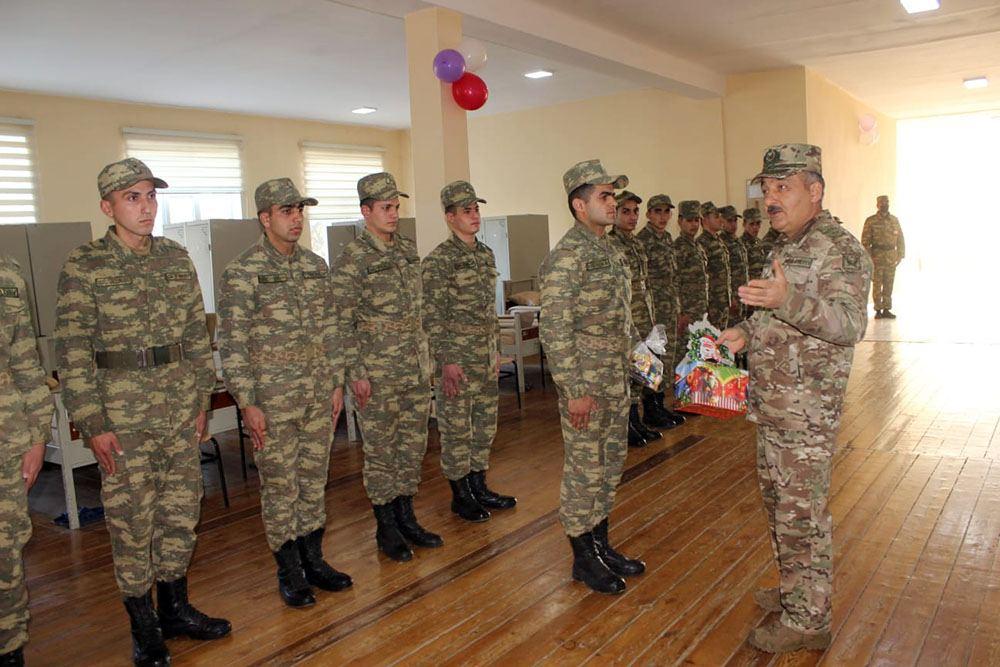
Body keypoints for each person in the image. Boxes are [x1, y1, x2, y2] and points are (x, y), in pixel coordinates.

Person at [55, 158, 231, 666]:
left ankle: (176, 610)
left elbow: (197, 337)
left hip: (178, 410)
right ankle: (144, 625)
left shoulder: (176, 259)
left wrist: (201, 399)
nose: (147, 206)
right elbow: (72, 352)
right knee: (133, 521)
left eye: (151, 196)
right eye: (133, 197)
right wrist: (94, 424)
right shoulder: (85, 265)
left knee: (181, 512)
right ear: (107, 206)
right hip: (123, 418)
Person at [718, 144, 871, 653]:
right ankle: (795, 591)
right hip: (774, 404)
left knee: (801, 513)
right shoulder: (785, 245)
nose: (771, 199)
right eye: (767, 189)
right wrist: (743, 331)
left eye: (783, 187)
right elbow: (770, 317)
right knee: (780, 505)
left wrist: (789, 299)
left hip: (806, 410)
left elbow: (849, 325)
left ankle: (809, 620)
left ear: (815, 190)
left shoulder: (840, 249)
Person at [217, 178, 352, 608]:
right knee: (280, 486)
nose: (296, 219)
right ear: (265, 218)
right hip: (273, 403)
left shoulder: (315, 266)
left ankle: (314, 559)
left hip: (317, 396)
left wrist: (335, 383)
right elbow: (233, 343)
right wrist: (247, 401)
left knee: (313, 480)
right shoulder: (242, 273)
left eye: (300, 210)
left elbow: (331, 331)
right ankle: (289, 569)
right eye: (287, 211)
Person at [540, 159, 645, 595]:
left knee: (609, 466)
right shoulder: (566, 258)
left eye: (613, 195)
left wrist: (643, 362)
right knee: (585, 470)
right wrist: (575, 391)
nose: (613, 202)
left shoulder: (609, 249)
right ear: (579, 205)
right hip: (587, 385)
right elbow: (555, 330)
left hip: (616, 381)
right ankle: (583, 558)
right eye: (605, 195)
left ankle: (601, 544)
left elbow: (622, 319)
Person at [330, 172, 441, 563]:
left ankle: (406, 516)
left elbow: (420, 311)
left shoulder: (407, 251)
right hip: (376, 373)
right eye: (386, 208)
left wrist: (427, 359)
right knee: (381, 451)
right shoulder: (352, 260)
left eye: (396, 207)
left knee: (412, 446)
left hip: (412, 367)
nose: (394, 214)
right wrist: (355, 372)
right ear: (366, 211)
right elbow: (341, 322)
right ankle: (386, 527)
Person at [421, 180, 516, 523]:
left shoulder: (484, 254)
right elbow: (432, 315)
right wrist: (446, 360)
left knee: (484, 425)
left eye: (476, 209)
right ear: (450, 217)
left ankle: (479, 485)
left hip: (483, 356)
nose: (474, 216)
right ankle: (461, 494)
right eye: (466, 211)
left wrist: (496, 352)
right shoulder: (438, 261)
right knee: (457, 428)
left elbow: (488, 310)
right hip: (457, 360)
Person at [0, 255, 53, 667]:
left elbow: (26, 364)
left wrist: (38, 436)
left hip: (6, 442)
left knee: (6, 553)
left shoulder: (8, 274)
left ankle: (9, 650)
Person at [635, 194, 686, 427]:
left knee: (665, 359)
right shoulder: (642, 240)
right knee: (652, 360)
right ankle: (650, 410)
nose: (663, 217)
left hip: (668, 309)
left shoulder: (667, 238)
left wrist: (678, 308)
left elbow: (673, 278)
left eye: (667, 212)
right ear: (648, 214)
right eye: (658, 212)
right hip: (653, 312)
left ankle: (659, 405)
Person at [673, 200, 709, 372]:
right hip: (687, 312)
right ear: (680, 221)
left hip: (700, 311)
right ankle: (683, 396)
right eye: (689, 220)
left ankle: (696, 394)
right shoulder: (678, 248)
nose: (694, 224)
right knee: (684, 357)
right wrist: (681, 313)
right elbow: (675, 282)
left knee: (698, 354)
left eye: (696, 220)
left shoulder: (697, 246)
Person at [861, 195, 904, 318]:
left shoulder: (894, 220)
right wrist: (868, 257)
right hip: (877, 256)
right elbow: (865, 241)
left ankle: (886, 308)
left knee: (889, 283)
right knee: (877, 284)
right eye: (882, 202)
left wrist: (901, 254)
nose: (884, 204)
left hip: (891, 256)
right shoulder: (871, 221)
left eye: (886, 202)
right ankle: (878, 310)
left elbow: (900, 238)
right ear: (877, 205)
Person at [696, 201, 732, 330]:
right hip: (712, 303)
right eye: (716, 216)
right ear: (705, 219)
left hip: (722, 301)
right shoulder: (702, 242)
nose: (720, 220)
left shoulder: (718, 240)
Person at [719, 205, 749, 327]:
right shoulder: (722, 242)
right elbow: (723, 273)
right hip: (732, 297)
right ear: (722, 221)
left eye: (735, 221)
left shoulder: (737, 240)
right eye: (729, 221)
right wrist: (731, 298)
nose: (733, 224)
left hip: (742, 294)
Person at [741, 207, 768, 280]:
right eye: (751, 224)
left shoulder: (759, 243)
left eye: (758, 223)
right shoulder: (740, 245)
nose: (755, 227)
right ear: (744, 224)